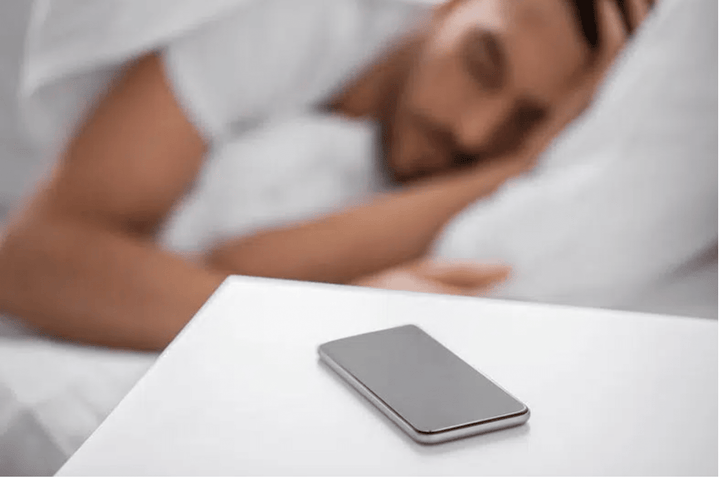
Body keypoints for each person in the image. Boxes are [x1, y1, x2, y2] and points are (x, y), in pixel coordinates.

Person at [0, 0, 652, 350]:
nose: (474, 132)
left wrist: (514, 170)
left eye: (524, 121)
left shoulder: (465, 168)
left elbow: (241, 262)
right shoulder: (300, 18)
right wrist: (332, 331)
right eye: (483, 63)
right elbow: (35, 259)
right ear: (449, 5)